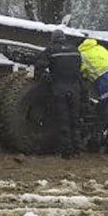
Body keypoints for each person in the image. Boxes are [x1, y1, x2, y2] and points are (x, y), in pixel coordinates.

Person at [36, 29, 83, 158]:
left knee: (63, 120)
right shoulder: (75, 49)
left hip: (60, 88)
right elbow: (79, 67)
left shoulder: (51, 49)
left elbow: (40, 66)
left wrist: (42, 77)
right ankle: (77, 149)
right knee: (74, 119)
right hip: (75, 88)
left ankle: (67, 152)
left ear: (53, 38)